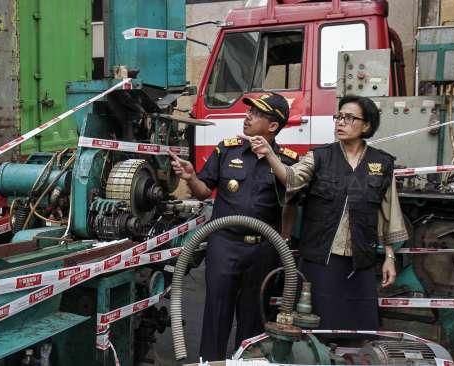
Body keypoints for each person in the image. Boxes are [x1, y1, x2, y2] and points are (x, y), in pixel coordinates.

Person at [250, 95, 408, 330]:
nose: (340, 122)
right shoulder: (320, 156)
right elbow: (292, 178)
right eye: (339, 116)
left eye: (349, 118)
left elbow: (389, 213)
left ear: (366, 126)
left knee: (356, 331)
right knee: (314, 326)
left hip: (359, 262)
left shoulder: (381, 163)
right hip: (320, 258)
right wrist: (270, 155)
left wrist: (389, 257)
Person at [170, 93, 299, 361]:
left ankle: (246, 362)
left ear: (273, 126)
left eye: (256, 114)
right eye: (248, 111)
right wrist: (191, 177)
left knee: (253, 319)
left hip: (263, 249)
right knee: (217, 313)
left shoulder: (287, 161)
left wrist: (284, 241)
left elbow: (292, 201)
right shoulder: (226, 149)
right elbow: (204, 192)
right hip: (224, 244)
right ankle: (211, 362)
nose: (247, 116)